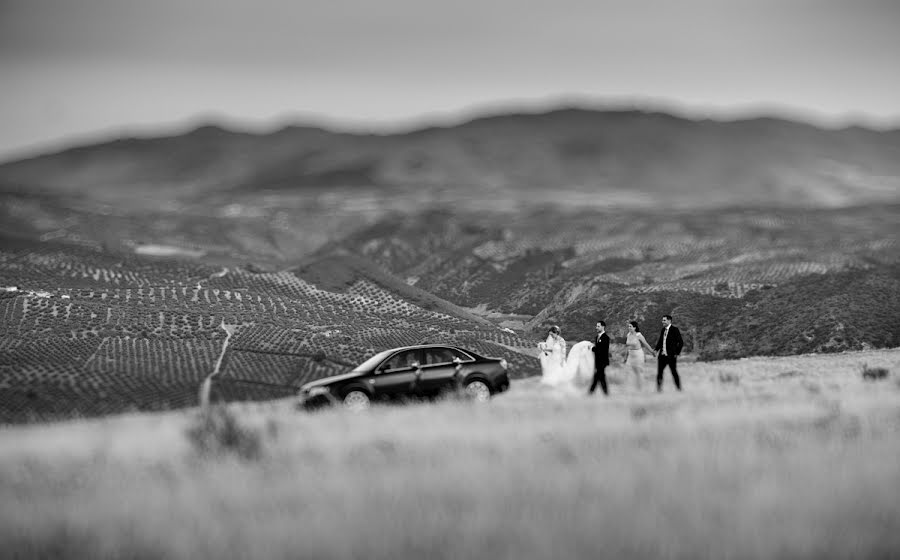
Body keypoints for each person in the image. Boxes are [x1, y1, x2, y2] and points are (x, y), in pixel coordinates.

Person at [654, 314, 684, 391]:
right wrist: (656, 350)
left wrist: (677, 353)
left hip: (671, 356)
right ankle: (659, 389)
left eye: (664, 320)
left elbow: (680, 342)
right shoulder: (663, 330)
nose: (662, 322)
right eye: (662, 320)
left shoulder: (675, 330)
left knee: (674, 372)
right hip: (662, 355)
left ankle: (679, 388)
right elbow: (660, 341)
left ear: (669, 321)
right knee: (659, 372)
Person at [623, 321, 654, 390]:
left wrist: (652, 352)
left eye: (630, 326)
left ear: (635, 327)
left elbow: (645, 344)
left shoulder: (638, 335)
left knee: (639, 372)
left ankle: (641, 388)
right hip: (630, 356)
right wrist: (625, 357)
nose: (629, 328)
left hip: (638, 355)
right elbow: (627, 346)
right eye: (628, 326)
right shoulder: (628, 335)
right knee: (627, 370)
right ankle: (630, 388)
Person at [589, 321, 610, 396]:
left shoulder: (606, 338)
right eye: (596, 326)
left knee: (597, 377)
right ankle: (606, 394)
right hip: (597, 361)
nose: (596, 328)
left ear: (603, 327)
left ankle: (590, 393)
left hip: (602, 361)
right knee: (601, 378)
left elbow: (601, 350)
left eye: (598, 326)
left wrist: (592, 348)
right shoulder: (597, 337)